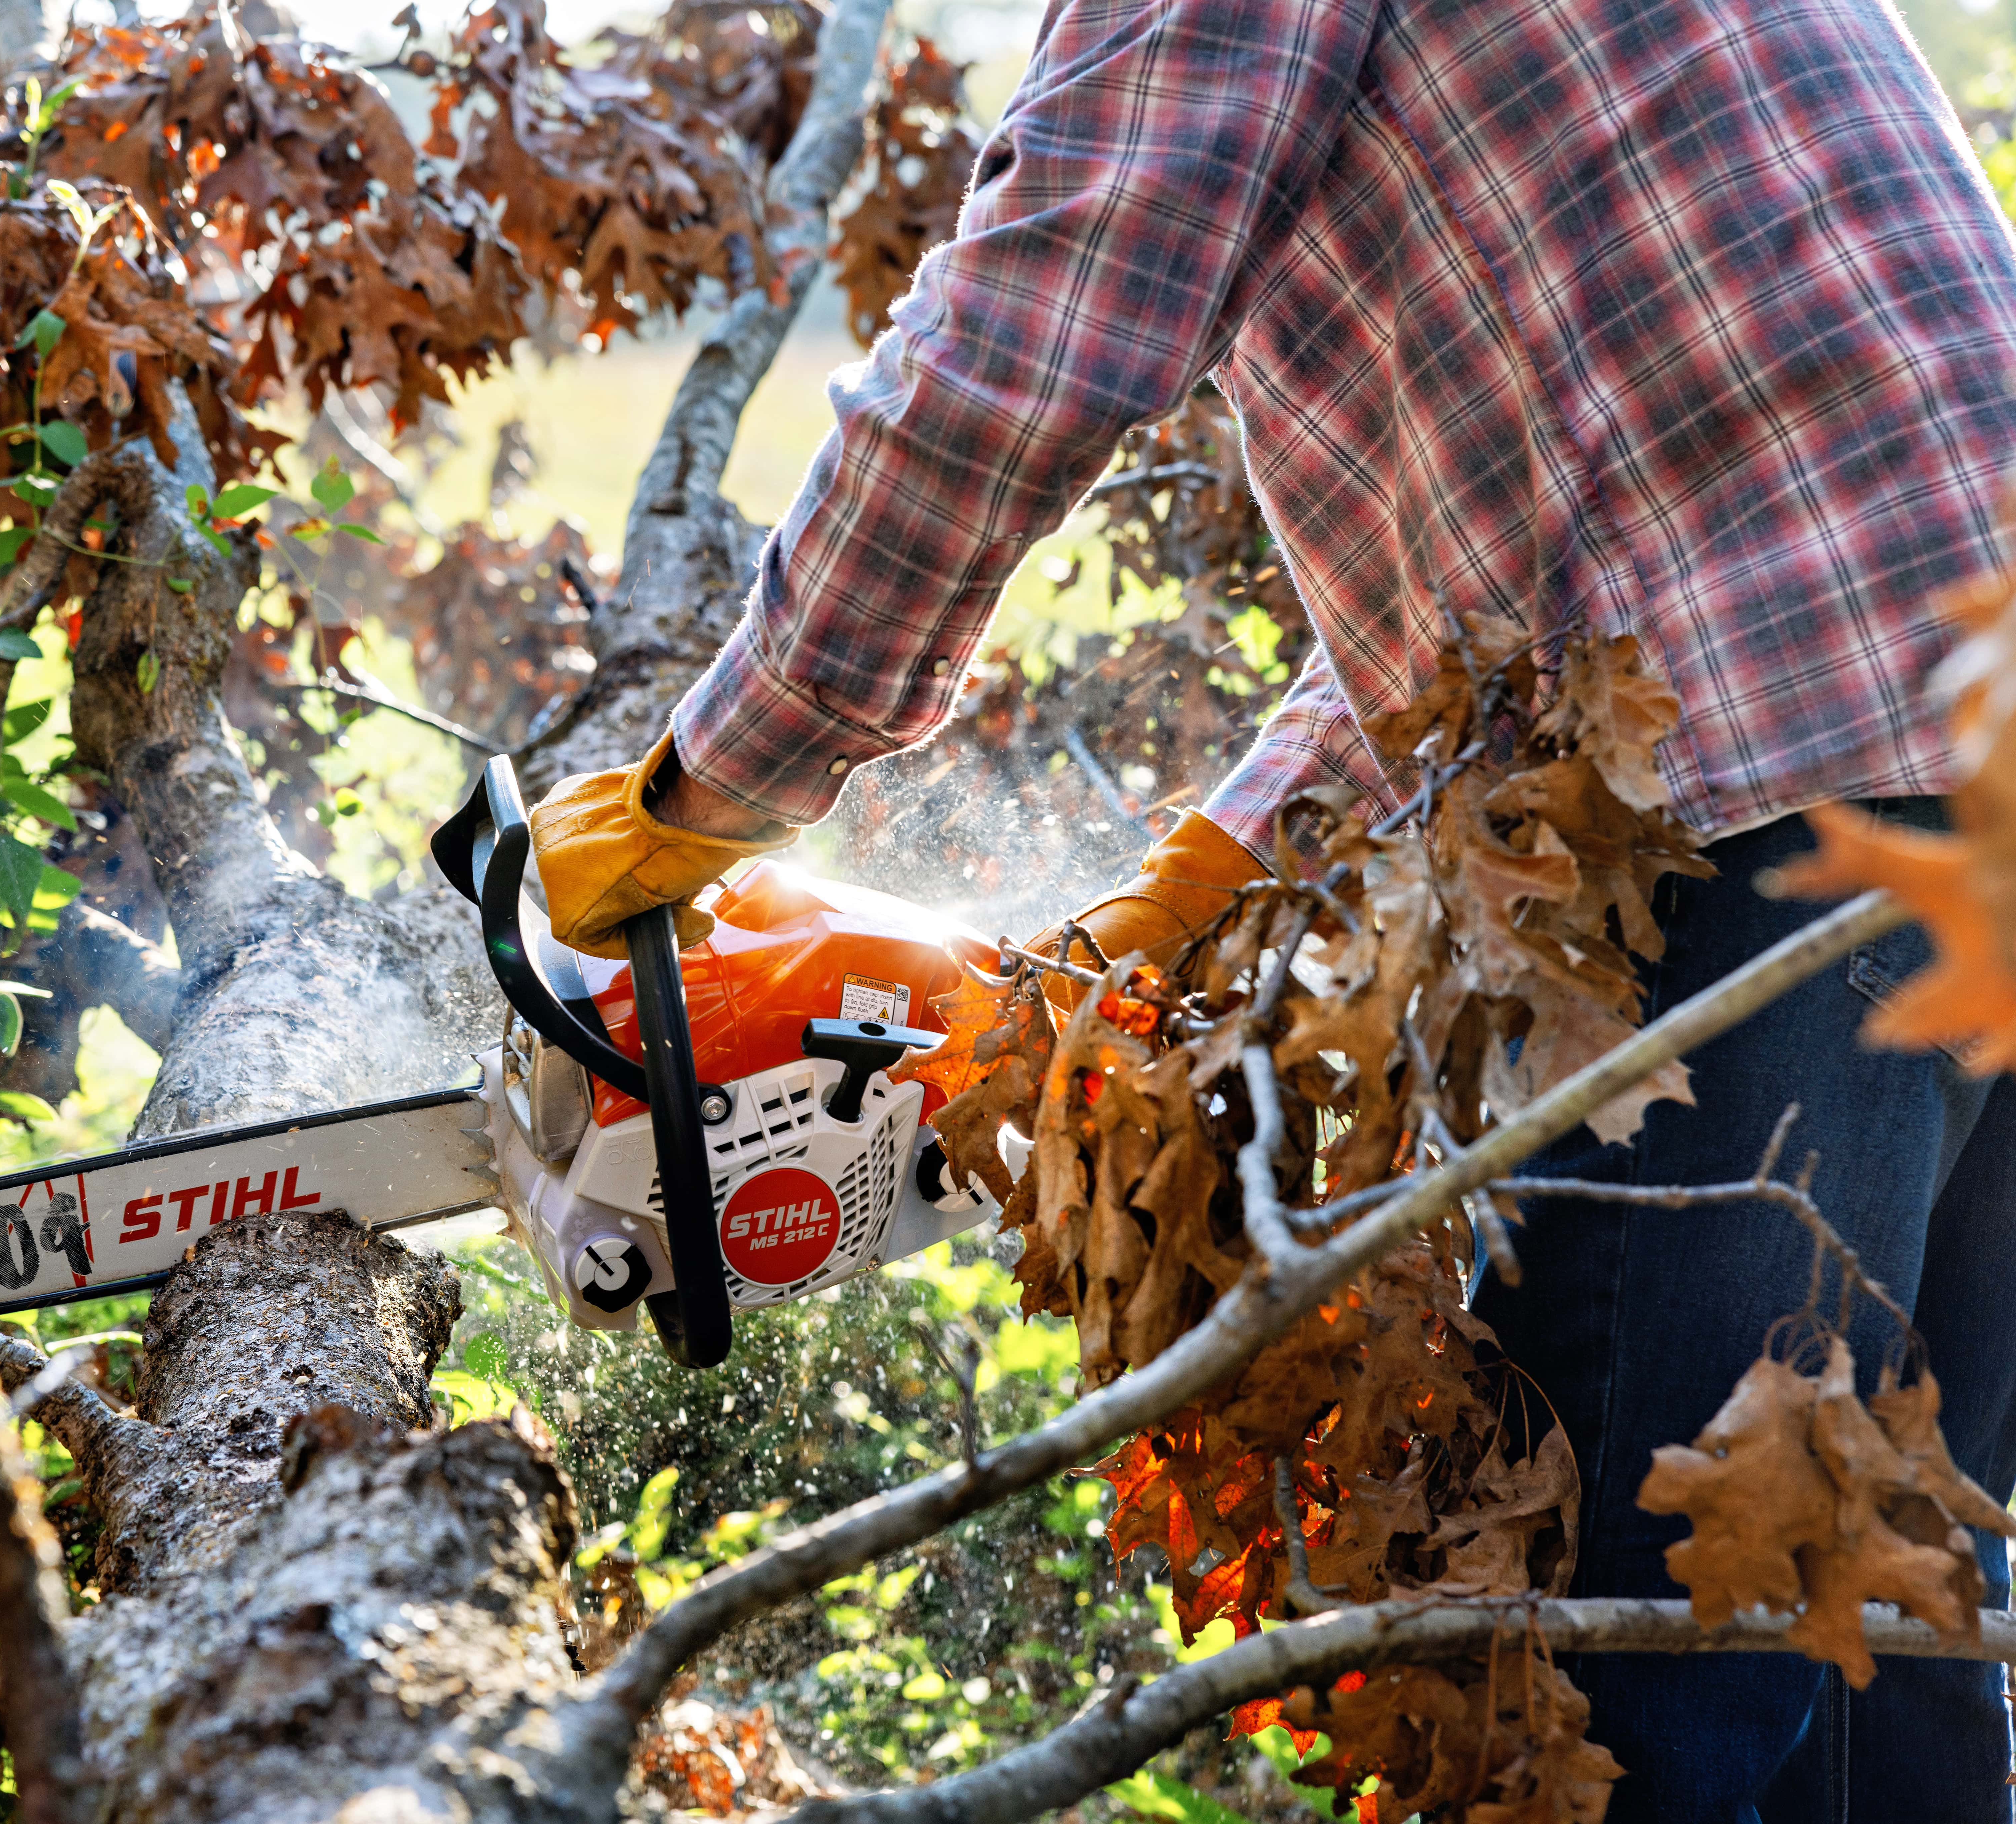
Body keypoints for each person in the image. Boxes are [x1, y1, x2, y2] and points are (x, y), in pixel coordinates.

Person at [528, 1, 2016, 1817]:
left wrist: (719, 780)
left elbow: (1040, 322)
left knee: (1625, 1687)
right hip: (1956, 744)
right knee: (1875, 1635)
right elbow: (1540, 560)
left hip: (1779, 791)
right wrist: (1210, 870)